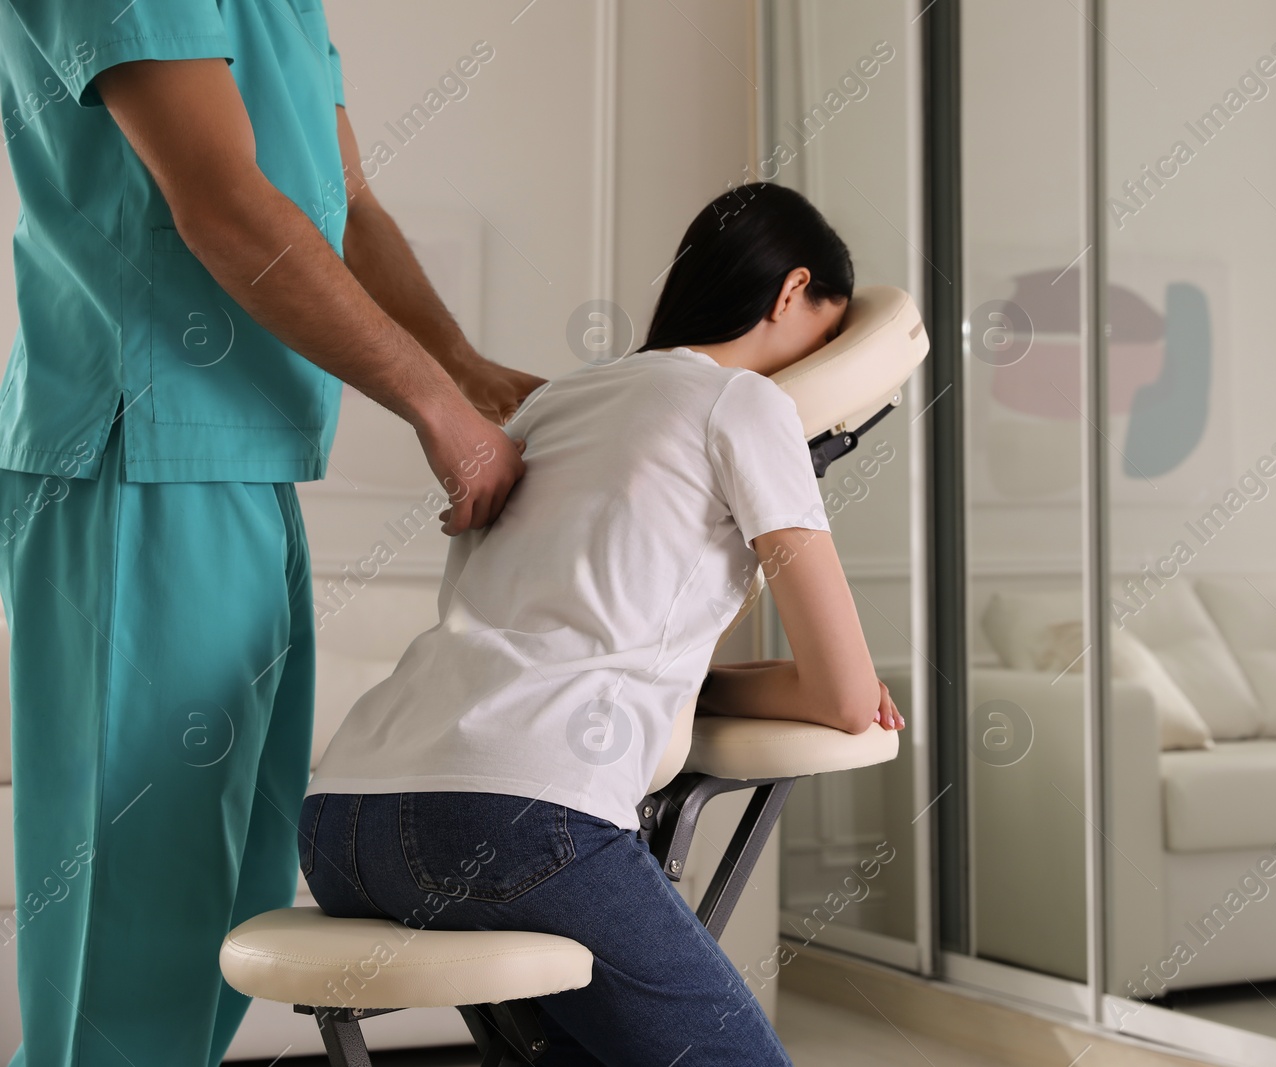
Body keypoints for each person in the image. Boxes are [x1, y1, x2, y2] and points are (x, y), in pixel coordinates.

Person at [0, 2, 537, 1063]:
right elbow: (225, 204)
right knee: (133, 909)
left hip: (248, 455)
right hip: (141, 450)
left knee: (225, 891)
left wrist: (475, 380)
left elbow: (346, 210)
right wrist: (435, 408)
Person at [302, 182, 907, 1065]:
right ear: (792, 293)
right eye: (829, 323)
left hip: (342, 826)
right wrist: (834, 684)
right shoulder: (747, 405)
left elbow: (584, 637)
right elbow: (848, 700)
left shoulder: (553, 403)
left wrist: (724, 682)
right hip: (511, 818)